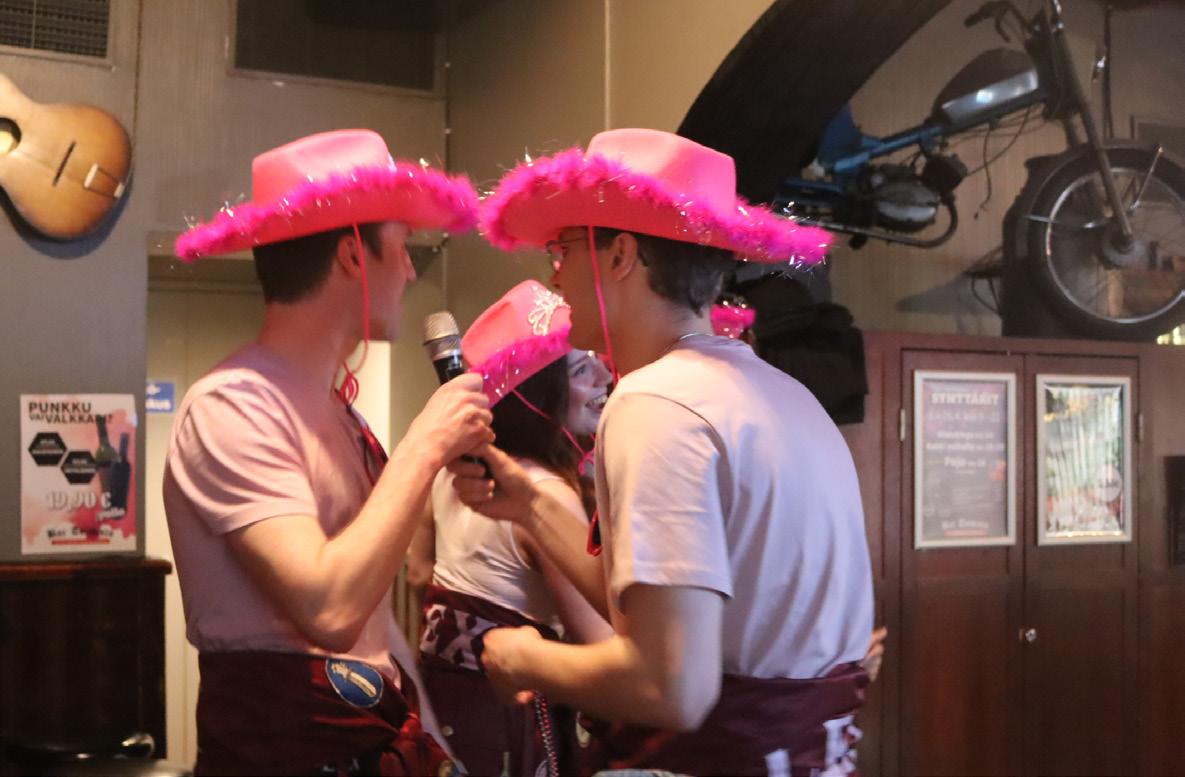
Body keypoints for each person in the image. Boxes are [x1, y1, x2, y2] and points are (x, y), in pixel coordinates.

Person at [451, 128, 875, 776]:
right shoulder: (785, 396)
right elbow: (671, 612)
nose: (553, 274)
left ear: (621, 254)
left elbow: (670, 684)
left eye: (563, 249)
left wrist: (523, 658)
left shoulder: (656, 402)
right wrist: (532, 504)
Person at [164, 129, 491, 776]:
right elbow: (330, 607)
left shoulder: (338, 411)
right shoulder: (233, 404)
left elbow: (371, 627)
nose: (409, 270)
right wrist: (425, 445)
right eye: (400, 247)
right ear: (351, 255)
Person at [409, 280, 613, 777]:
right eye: (581, 369)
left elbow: (418, 576)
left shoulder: (451, 472)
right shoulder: (544, 494)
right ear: (538, 398)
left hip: (441, 703)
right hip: (509, 717)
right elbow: (601, 642)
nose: (606, 375)